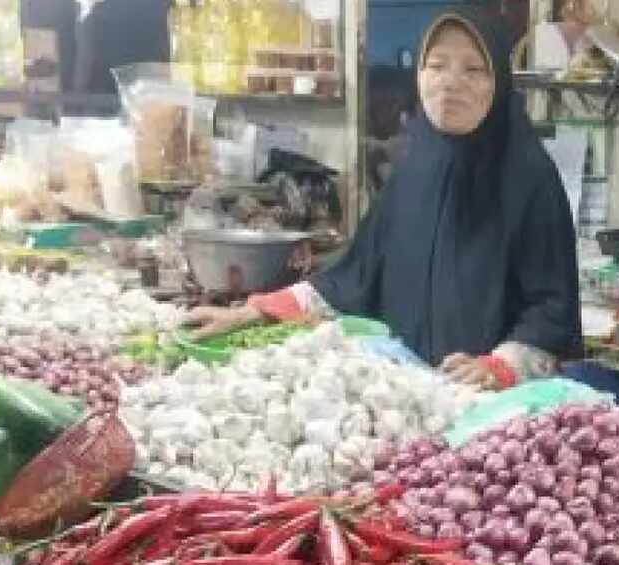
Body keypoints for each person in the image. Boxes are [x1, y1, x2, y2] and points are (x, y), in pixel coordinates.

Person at [183, 7, 582, 390]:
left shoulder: (530, 181)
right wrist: (256, 312)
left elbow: (551, 312)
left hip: (493, 425)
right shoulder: (414, 170)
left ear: (500, 83)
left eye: (474, 69)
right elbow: (354, 277)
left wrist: (498, 369)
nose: (450, 82)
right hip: (405, 402)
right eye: (437, 65)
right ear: (419, 74)